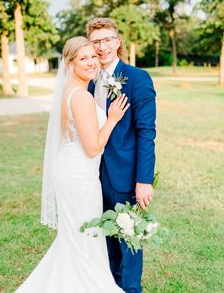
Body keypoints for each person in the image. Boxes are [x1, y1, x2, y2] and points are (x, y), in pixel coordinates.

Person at [16, 36, 130, 293]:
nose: (92, 62)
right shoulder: (81, 97)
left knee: (75, 238)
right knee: (86, 237)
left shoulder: (69, 91)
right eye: (84, 58)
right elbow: (92, 148)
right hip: (80, 176)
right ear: (70, 63)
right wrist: (111, 119)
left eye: (93, 56)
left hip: (70, 169)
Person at [87, 18, 156, 293]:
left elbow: (146, 132)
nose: (102, 47)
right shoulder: (90, 82)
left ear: (117, 42)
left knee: (129, 240)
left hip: (126, 176)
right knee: (105, 240)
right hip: (93, 174)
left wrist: (144, 180)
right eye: (96, 42)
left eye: (107, 40)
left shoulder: (138, 78)